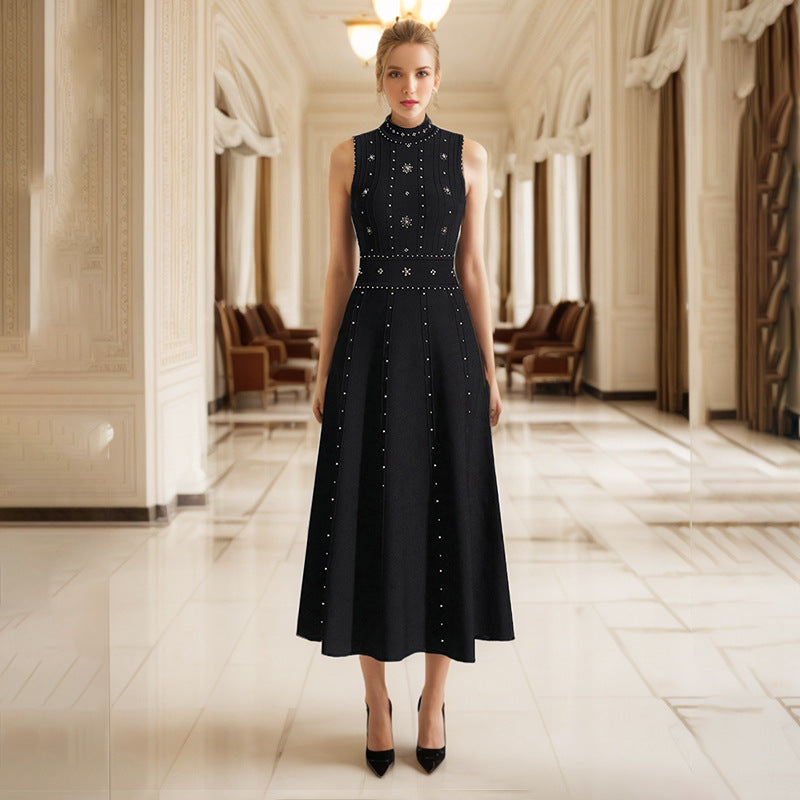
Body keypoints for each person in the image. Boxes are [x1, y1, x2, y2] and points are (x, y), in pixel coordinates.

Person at [295, 18, 514, 777]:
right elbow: (335, 269)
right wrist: (323, 369)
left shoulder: (472, 158)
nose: (410, 86)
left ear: (438, 77)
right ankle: (377, 699)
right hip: (369, 346)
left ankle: (433, 699)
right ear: (379, 78)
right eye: (396, 73)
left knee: (445, 513)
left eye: (422, 72)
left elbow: (477, 270)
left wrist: (488, 368)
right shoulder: (346, 156)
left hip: (449, 347)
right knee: (369, 514)